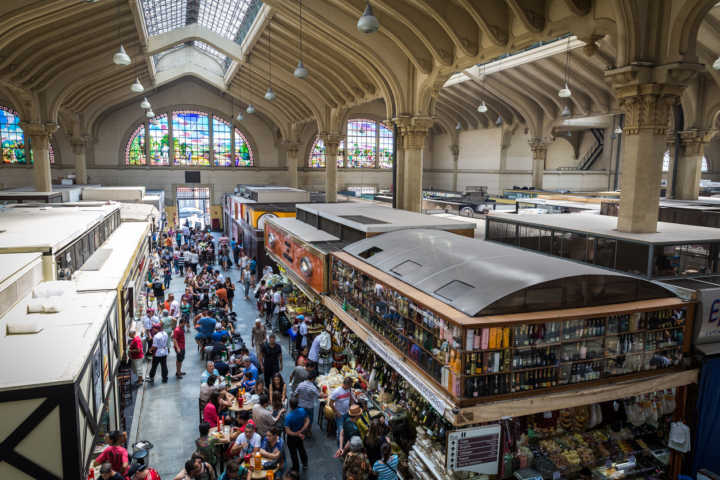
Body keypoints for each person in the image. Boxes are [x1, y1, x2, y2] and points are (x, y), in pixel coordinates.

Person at [295, 370, 325, 437]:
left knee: (301, 419)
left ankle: (301, 431)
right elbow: (319, 395)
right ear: (313, 378)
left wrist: (299, 399)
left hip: (300, 405)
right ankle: (308, 431)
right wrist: (324, 394)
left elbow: (296, 394)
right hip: (309, 406)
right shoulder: (312, 387)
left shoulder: (300, 384)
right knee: (309, 419)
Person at [284, 397, 309, 473]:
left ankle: (296, 468)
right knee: (301, 449)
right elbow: (307, 421)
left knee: (293, 453)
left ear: (290, 406)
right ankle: (305, 464)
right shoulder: (302, 411)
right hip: (300, 435)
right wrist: (301, 431)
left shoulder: (288, 417)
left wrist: (297, 433)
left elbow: (288, 431)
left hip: (292, 438)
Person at [330, 377, 356, 443]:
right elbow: (331, 403)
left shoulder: (349, 389)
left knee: (346, 428)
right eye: (350, 385)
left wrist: (351, 405)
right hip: (340, 415)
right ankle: (339, 445)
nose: (350, 387)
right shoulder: (337, 392)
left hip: (347, 413)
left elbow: (350, 397)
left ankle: (343, 442)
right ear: (346, 384)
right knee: (340, 431)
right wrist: (336, 412)